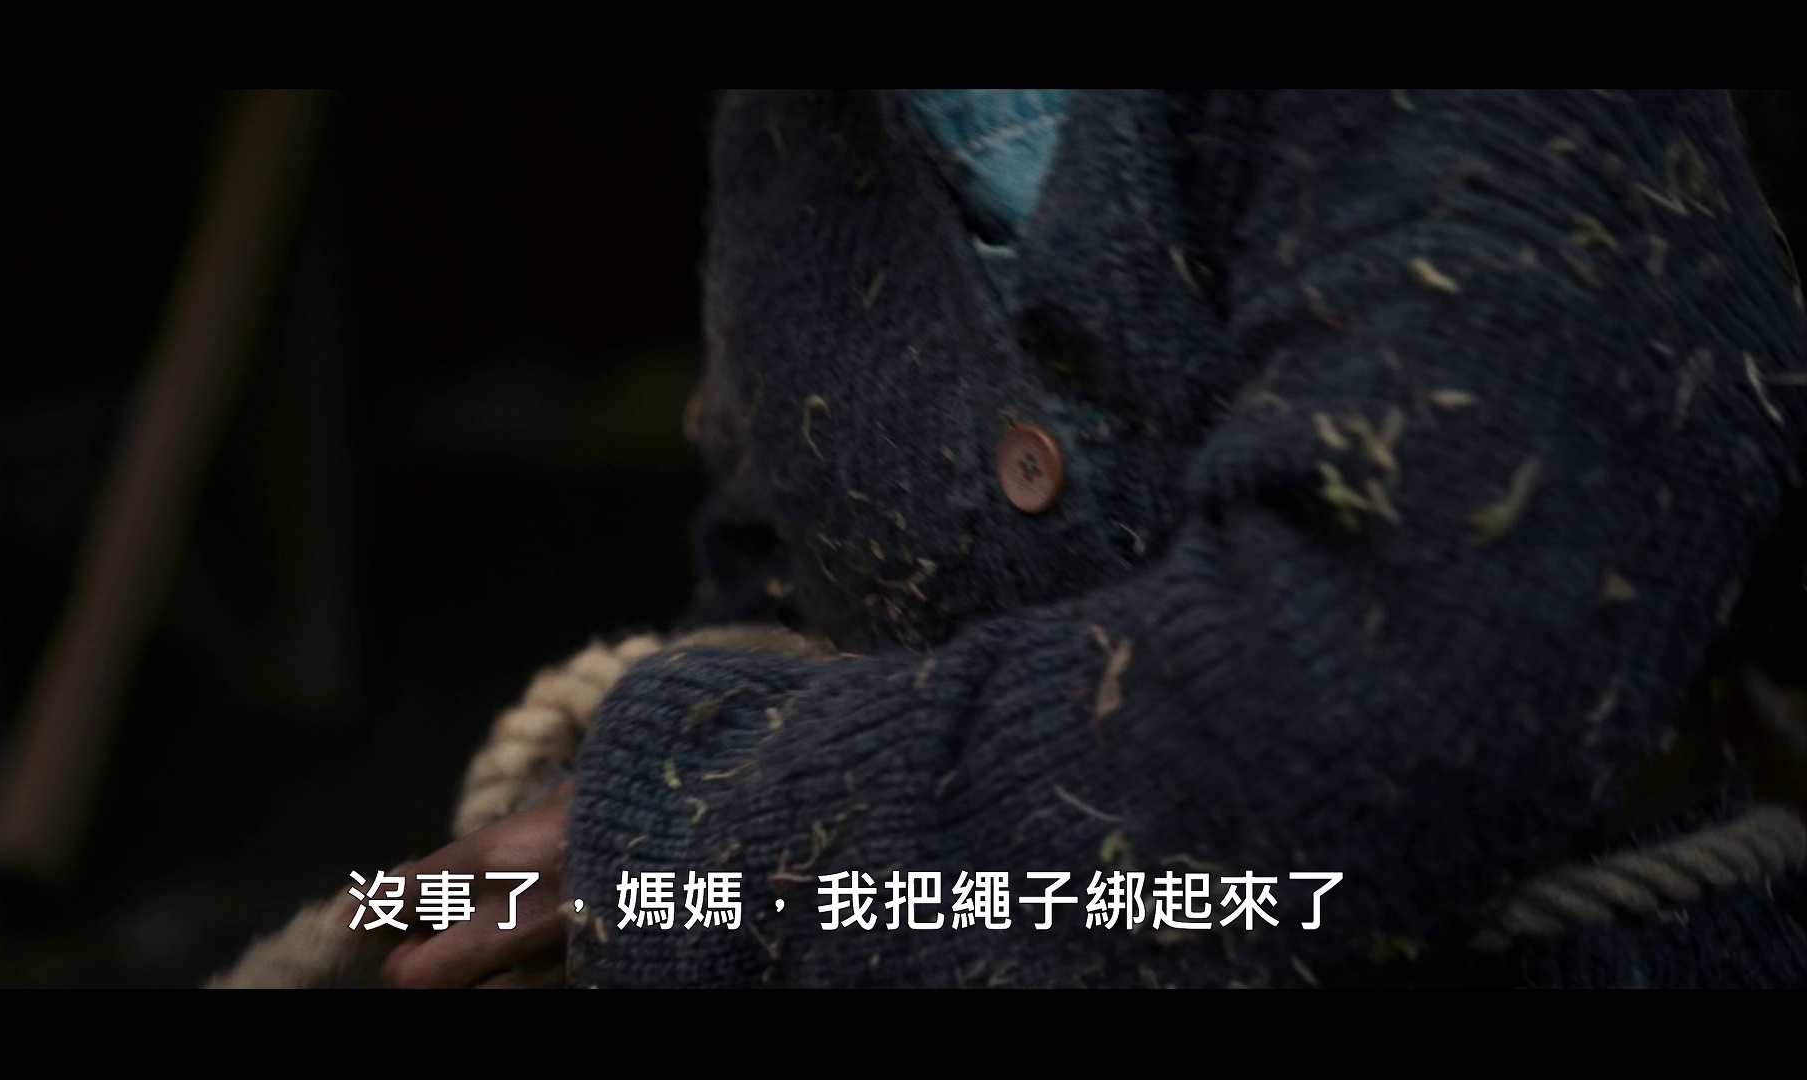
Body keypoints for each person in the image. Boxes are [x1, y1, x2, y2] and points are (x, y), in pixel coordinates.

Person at [381, 89, 1807, 989]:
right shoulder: (793, 133)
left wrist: (705, 845)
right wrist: (605, 858)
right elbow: (769, 587)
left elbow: (1385, 699)